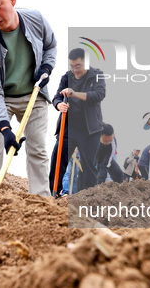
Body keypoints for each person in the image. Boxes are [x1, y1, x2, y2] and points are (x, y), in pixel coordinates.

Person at [0, 0, 57, 197]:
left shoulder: (36, 19)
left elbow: (51, 45)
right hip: (2, 98)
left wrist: (47, 68)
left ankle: (41, 200)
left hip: (34, 94)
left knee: (37, 149)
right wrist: (5, 129)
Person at [49, 48, 106, 194]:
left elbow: (99, 95)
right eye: (72, 66)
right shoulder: (66, 77)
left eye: (78, 66)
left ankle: (89, 198)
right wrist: (58, 104)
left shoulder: (97, 75)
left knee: (89, 166)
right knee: (58, 160)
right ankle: (54, 193)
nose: (74, 70)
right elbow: (56, 96)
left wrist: (74, 94)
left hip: (90, 130)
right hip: (69, 128)